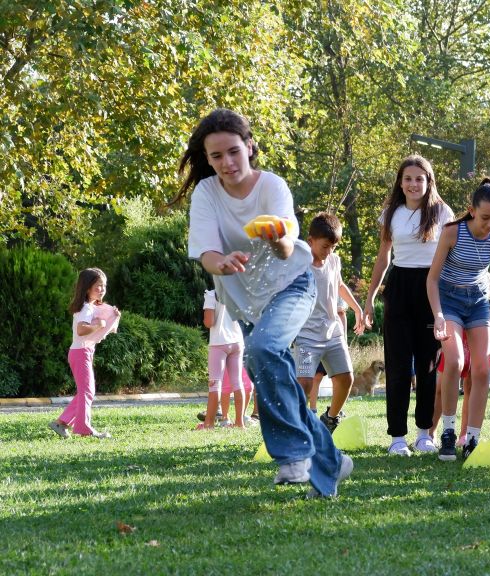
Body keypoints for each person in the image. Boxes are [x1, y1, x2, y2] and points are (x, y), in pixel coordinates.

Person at [180, 108, 351, 497]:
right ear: (208, 159)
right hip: (246, 300)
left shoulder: (272, 186)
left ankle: (293, 455)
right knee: (274, 376)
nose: (227, 163)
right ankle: (332, 462)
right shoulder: (206, 193)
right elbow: (206, 253)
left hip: (293, 285)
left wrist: (276, 238)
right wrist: (221, 262)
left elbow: (288, 247)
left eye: (233, 151)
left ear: (249, 146)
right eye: (217, 156)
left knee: (262, 349)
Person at [363, 155, 454, 456]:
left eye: (419, 179)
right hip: (399, 287)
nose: (413, 184)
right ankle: (397, 438)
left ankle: (424, 434)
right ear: (400, 183)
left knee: (428, 365)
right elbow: (383, 257)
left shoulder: (442, 212)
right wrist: (370, 297)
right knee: (399, 365)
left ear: (429, 182)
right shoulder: (391, 213)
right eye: (408, 179)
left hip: (431, 287)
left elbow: (452, 254)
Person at [428, 179, 490, 461]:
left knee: (482, 368)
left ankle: (472, 438)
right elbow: (432, 280)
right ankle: (447, 431)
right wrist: (438, 315)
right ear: (471, 210)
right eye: (485, 217)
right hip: (449, 300)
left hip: (478, 302)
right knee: (455, 361)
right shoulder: (452, 232)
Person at [293, 212, 366, 434]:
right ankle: (296, 427)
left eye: (333, 247)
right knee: (304, 383)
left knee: (346, 378)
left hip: (333, 332)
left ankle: (331, 418)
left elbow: (339, 284)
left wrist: (357, 308)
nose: (329, 251)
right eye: (325, 246)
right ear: (310, 241)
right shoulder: (300, 265)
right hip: (306, 336)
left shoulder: (334, 260)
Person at [49, 268, 119, 439]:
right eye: (98, 286)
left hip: (83, 352)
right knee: (87, 391)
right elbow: (81, 329)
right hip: (80, 352)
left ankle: (61, 423)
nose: (102, 289)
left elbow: (104, 328)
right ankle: (84, 428)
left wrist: (113, 317)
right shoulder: (86, 308)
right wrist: (99, 325)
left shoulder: (90, 307)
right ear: (87, 287)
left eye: (104, 286)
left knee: (86, 391)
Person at [199, 288, 246, 429]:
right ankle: (239, 423)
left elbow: (209, 322)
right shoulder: (237, 292)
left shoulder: (211, 295)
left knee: (215, 383)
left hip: (219, 342)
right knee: (238, 382)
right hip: (237, 341)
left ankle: (208, 424)